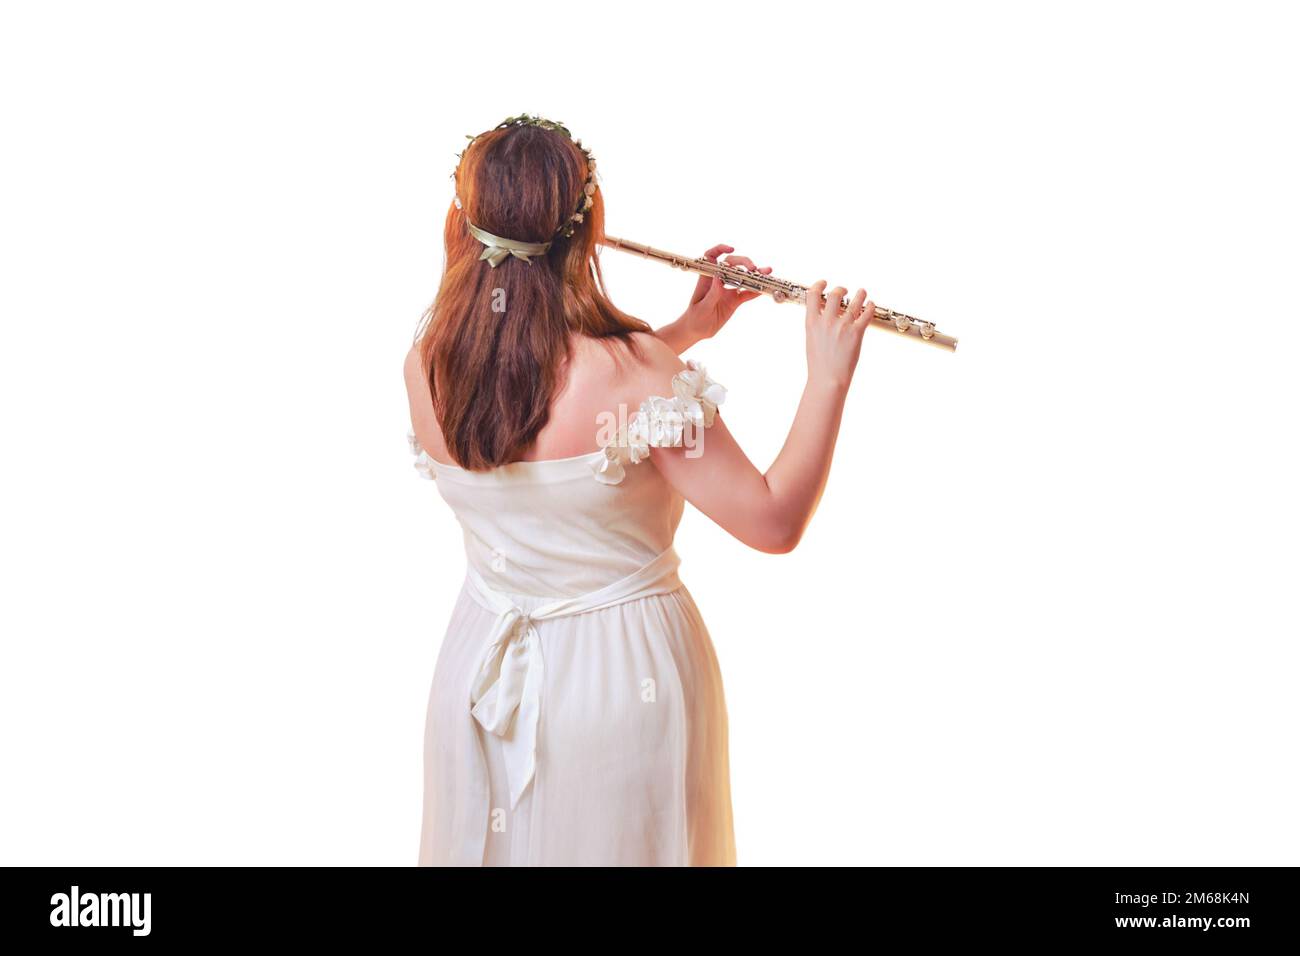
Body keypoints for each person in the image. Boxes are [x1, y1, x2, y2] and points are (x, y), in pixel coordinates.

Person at [404, 114, 873, 866]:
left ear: (464, 222)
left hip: (480, 673)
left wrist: (684, 332)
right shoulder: (636, 372)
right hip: (619, 680)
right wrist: (827, 377)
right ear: (586, 233)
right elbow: (774, 521)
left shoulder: (431, 362)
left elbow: (549, 407)